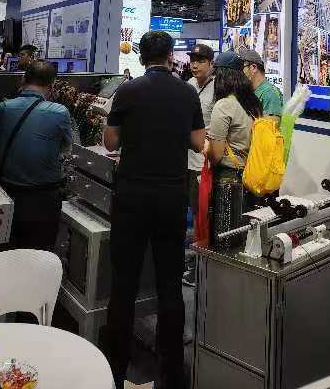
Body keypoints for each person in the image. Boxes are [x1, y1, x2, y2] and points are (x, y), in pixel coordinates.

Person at [104, 31, 205, 389]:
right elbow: (198, 142)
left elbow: (110, 141)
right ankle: (172, 372)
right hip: (170, 198)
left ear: (142, 57)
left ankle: (114, 368)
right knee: (170, 286)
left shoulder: (127, 91)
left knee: (124, 284)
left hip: (132, 197)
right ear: (170, 56)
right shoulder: (187, 92)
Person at [0, 60, 72, 251]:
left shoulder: (2, 109)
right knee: (38, 255)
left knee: (4, 253)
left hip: (5, 194)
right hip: (43, 199)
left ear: (23, 79)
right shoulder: (59, 112)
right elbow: (67, 147)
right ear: (52, 85)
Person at [206, 51, 263, 244]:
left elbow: (216, 155)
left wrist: (204, 145)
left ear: (222, 77)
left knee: (225, 240)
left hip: (228, 182)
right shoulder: (253, 104)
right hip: (250, 179)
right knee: (245, 238)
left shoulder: (224, 105)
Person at [186, 44, 215, 217]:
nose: (195, 65)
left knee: (201, 210)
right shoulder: (189, 84)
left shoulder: (218, 88)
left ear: (211, 64)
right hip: (185, 158)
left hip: (203, 162)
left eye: (200, 61)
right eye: (192, 61)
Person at [239, 48, 283, 120]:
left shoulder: (269, 93)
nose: (238, 72)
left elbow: (271, 124)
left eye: (241, 67)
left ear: (253, 68)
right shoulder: (251, 91)